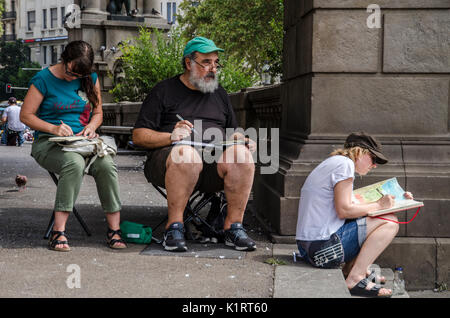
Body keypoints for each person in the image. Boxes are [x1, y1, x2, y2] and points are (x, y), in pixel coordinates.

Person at [133, 36, 257, 252]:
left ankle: (233, 228)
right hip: (168, 163)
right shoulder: (164, 91)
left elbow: (233, 131)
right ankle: (174, 227)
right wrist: (171, 136)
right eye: (207, 62)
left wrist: (241, 140)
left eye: (216, 63)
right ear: (189, 63)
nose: (214, 69)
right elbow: (139, 136)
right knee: (186, 155)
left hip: (211, 166)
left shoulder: (219, 94)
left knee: (242, 156)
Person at [20, 40, 126, 251]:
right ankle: (58, 232)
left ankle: (114, 230)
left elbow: (98, 113)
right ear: (64, 60)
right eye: (70, 73)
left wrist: (91, 127)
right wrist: (53, 128)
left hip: (83, 141)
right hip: (49, 143)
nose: (73, 78)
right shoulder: (43, 79)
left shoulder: (89, 78)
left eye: (78, 76)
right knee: (74, 164)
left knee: (106, 165)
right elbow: (26, 116)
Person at [295, 132, 414, 298]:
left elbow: (356, 208)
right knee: (390, 221)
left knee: (377, 217)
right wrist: (380, 205)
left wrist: (400, 199)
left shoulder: (335, 163)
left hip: (310, 248)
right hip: (322, 250)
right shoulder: (345, 165)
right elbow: (344, 210)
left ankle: (354, 269)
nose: (375, 166)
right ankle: (355, 278)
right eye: (374, 159)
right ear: (360, 152)